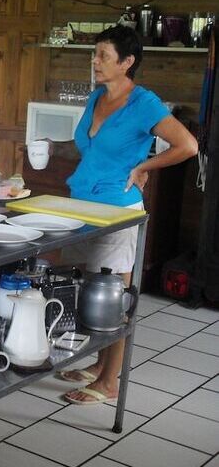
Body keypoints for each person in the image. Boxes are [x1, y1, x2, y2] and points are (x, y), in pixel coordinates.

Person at [59, 25, 198, 405]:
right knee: (90, 291)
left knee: (114, 297)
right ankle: (98, 366)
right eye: (95, 55)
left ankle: (109, 382)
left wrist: (145, 168)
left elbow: (187, 145)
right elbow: (90, 147)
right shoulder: (96, 97)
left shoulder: (144, 104)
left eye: (103, 55)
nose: (95, 62)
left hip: (117, 211)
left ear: (128, 62)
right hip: (81, 205)